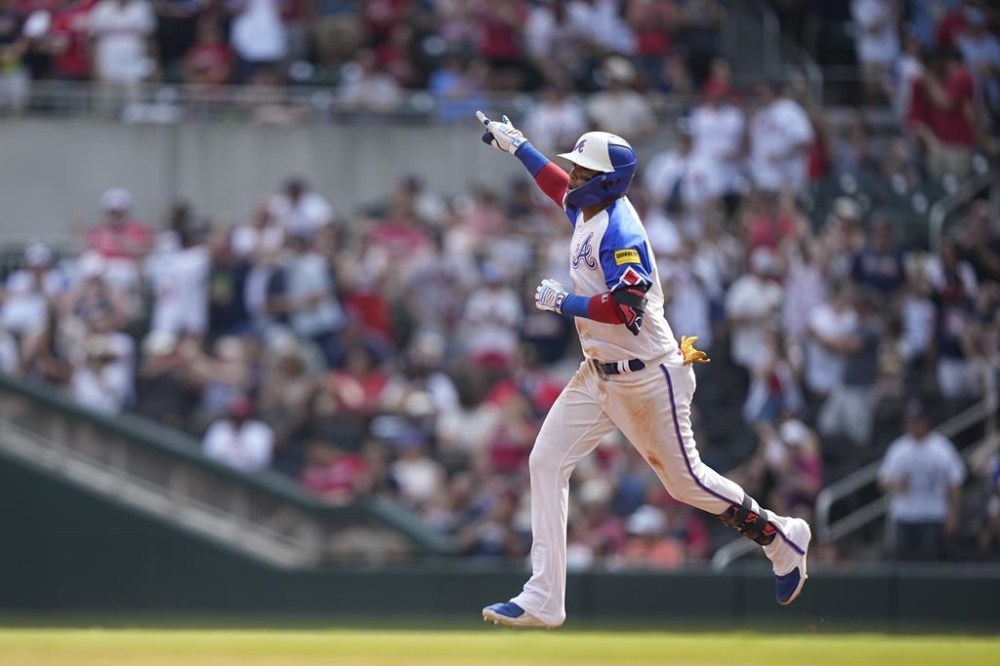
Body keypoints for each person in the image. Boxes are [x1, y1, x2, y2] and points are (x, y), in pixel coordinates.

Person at [474, 111, 811, 628]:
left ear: (608, 181)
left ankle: (781, 537)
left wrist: (563, 304)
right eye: (578, 169)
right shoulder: (591, 208)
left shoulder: (620, 227)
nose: (576, 177)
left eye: (586, 172)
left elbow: (627, 307)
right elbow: (558, 186)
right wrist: (518, 145)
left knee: (686, 484)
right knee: (545, 462)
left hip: (648, 375)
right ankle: (544, 597)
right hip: (599, 373)